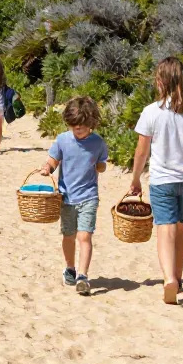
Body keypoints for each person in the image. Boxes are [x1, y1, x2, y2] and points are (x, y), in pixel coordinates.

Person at [129, 56, 183, 305]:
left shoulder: (151, 112)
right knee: (181, 227)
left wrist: (135, 179)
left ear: (161, 82)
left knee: (165, 228)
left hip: (162, 181)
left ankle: (169, 278)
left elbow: (141, 152)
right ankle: (178, 278)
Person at [39, 96, 107, 296]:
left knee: (84, 236)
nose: (78, 129)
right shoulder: (62, 140)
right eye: (74, 125)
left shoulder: (97, 142)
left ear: (91, 122)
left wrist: (99, 166)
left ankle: (83, 276)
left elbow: (102, 164)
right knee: (68, 236)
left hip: (89, 195)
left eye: (82, 126)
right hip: (66, 197)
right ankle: (70, 268)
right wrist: (47, 168)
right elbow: (53, 160)